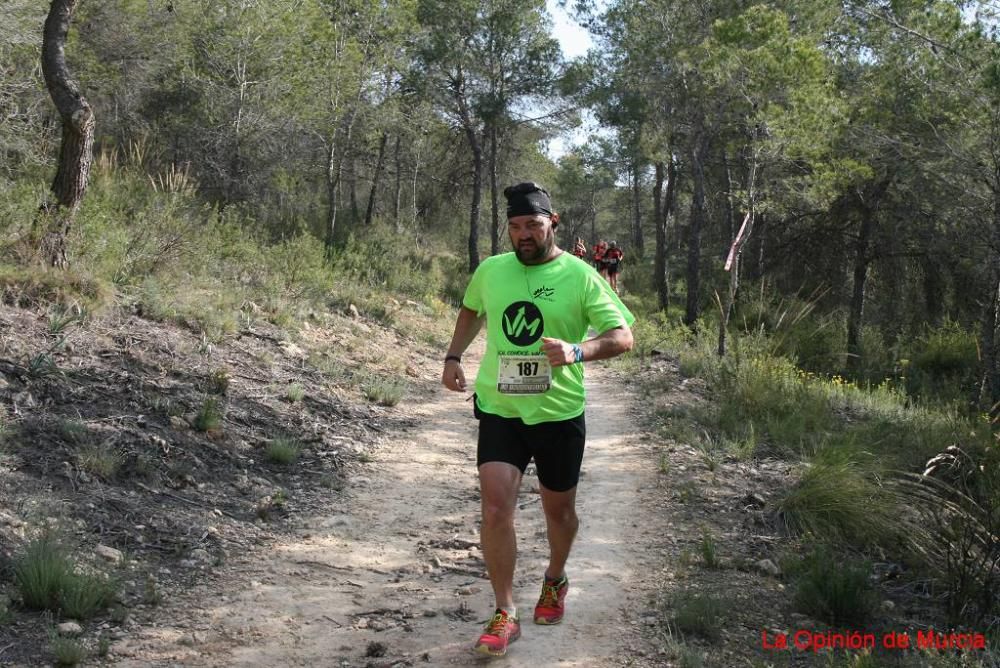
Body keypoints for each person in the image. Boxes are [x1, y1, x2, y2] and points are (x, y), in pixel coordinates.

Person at [441, 181, 635, 657]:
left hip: (557, 412)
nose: (523, 234)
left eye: (532, 224)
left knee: (559, 512)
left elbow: (622, 336)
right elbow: (470, 311)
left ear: (553, 224)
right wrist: (452, 356)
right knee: (495, 507)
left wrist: (576, 350)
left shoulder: (581, 275)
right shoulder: (491, 270)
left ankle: (554, 578)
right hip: (501, 408)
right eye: (515, 226)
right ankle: (504, 612)